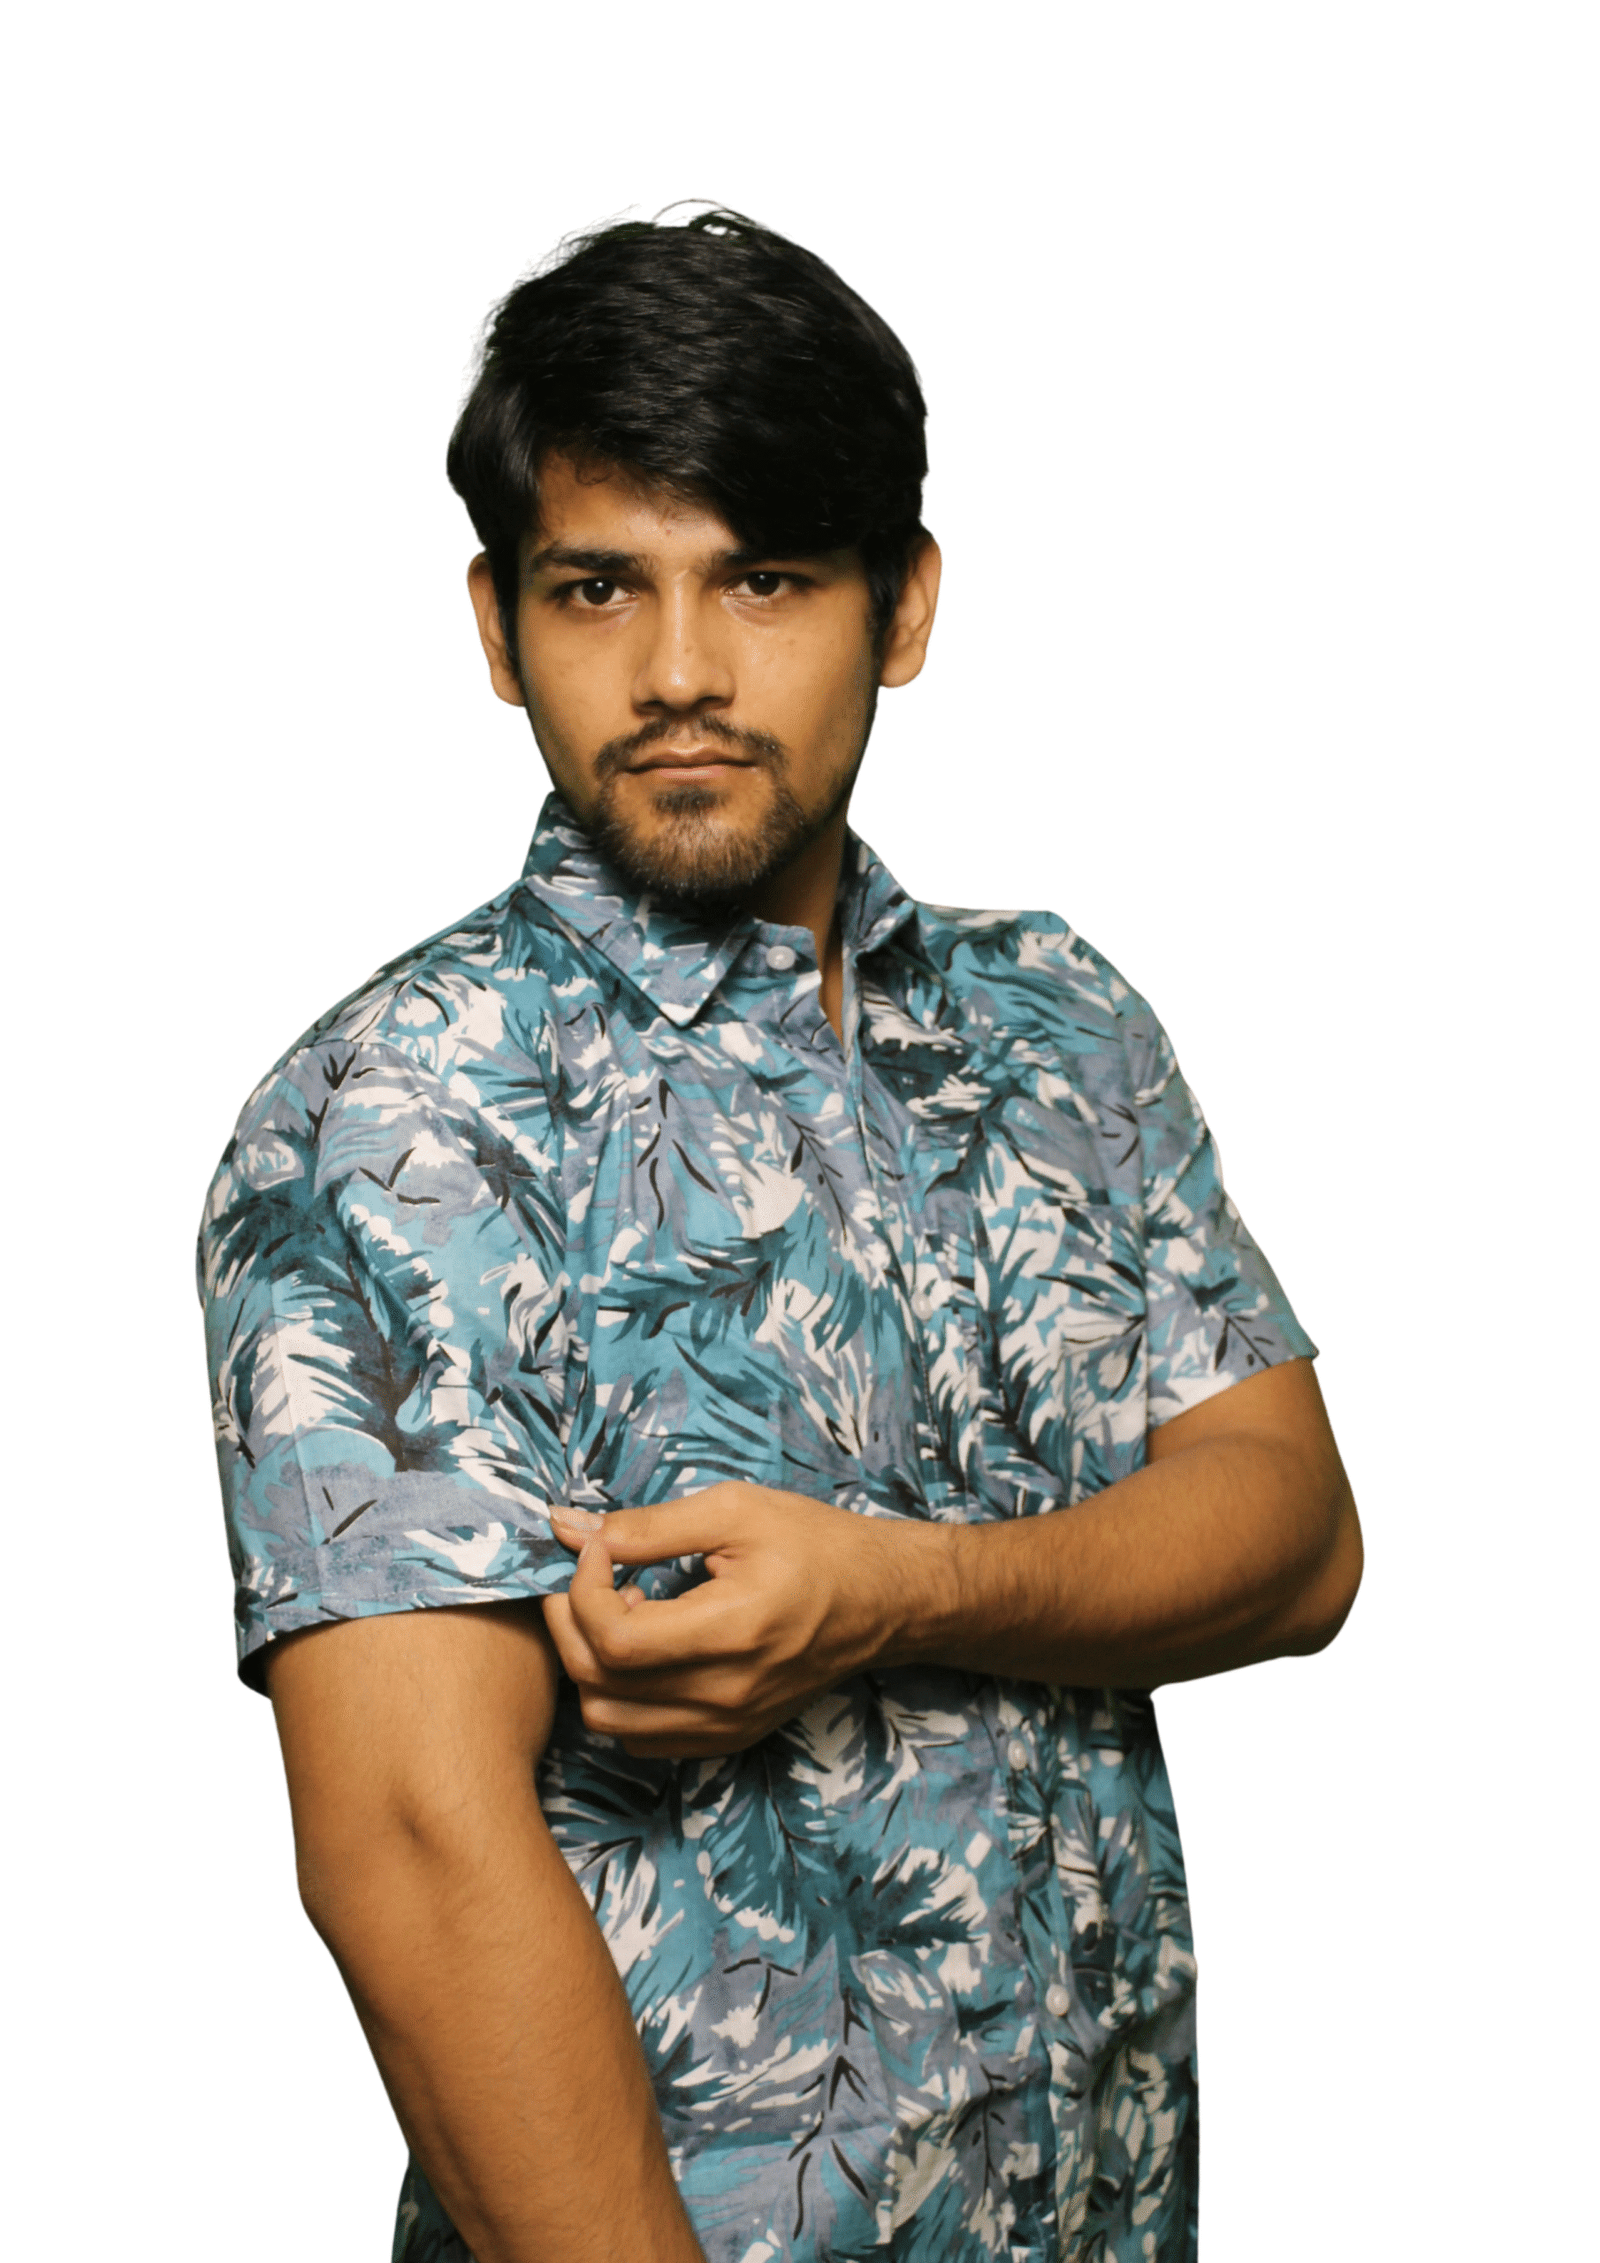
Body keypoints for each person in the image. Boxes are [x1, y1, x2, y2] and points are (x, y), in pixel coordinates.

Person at [198, 209, 1362, 2263]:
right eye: (597, 587)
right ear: (497, 627)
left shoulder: (1055, 1022)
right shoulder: (403, 1111)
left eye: (763, 578)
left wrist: (899, 1588)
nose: (676, 672)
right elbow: (408, 1843)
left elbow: (1293, 1538)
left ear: (902, 605)